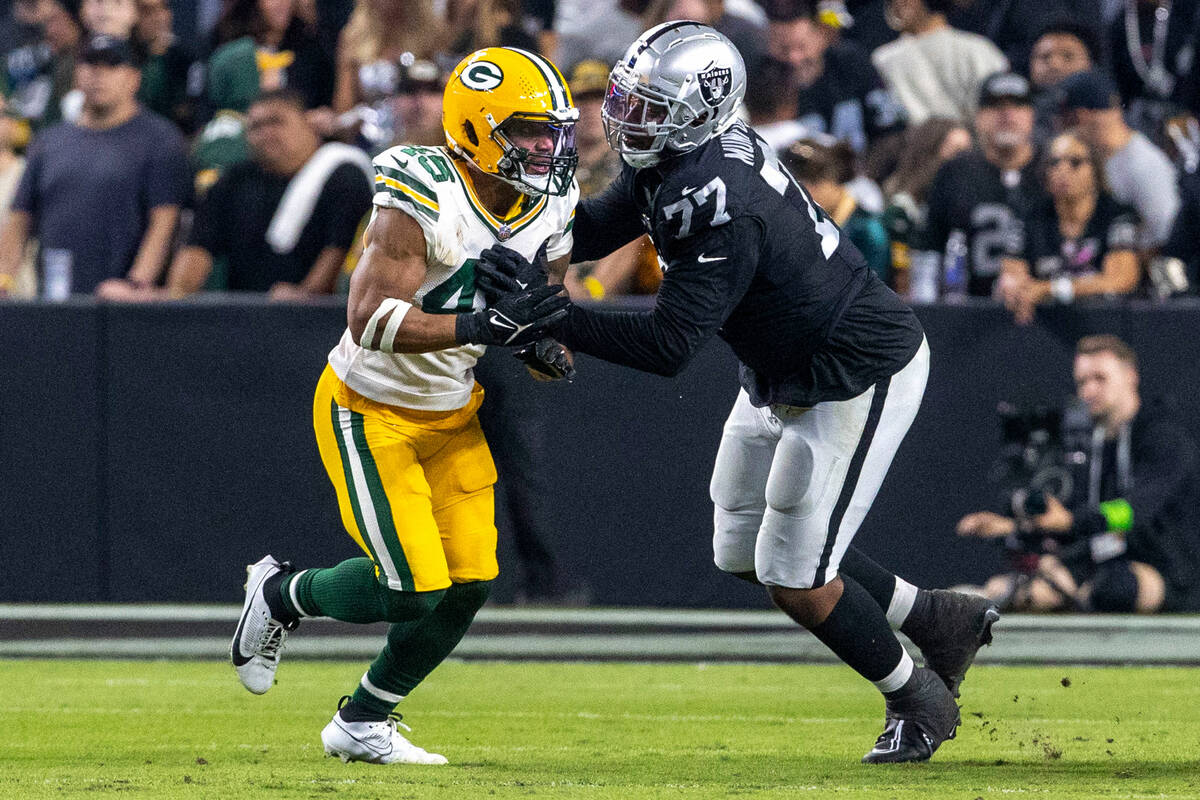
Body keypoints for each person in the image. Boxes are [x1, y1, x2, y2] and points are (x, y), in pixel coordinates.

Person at [477, 22, 999, 764]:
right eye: (627, 98)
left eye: (648, 106)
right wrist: (518, 252)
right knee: (740, 549)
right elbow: (594, 224)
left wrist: (554, 312)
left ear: (699, 111)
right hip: (779, 371)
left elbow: (669, 348)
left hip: (853, 372)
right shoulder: (679, 161)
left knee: (796, 578)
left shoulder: (715, 193)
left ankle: (917, 697)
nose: (628, 118)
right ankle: (939, 618)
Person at [229, 46, 578, 765]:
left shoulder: (554, 205)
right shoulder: (420, 187)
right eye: (530, 131)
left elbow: (539, 333)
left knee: (473, 580)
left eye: (554, 131)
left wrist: (543, 349)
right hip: (370, 406)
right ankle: (281, 594)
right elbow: (370, 320)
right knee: (414, 589)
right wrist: (486, 326)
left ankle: (363, 718)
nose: (547, 147)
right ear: (479, 128)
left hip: (452, 409)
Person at [957, 335, 1200, 613]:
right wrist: (1015, 528)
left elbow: (1130, 512)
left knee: (1115, 587)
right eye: (1082, 382)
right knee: (1028, 589)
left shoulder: (1165, 437)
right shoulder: (1090, 443)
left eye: (1100, 378)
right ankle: (970, 603)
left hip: (1169, 570)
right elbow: (1077, 519)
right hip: (1103, 559)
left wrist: (1070, 522)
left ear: (1130, 376)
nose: (1089, 391)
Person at [117, 89, 371, 300]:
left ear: (309, 124)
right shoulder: (234, 180)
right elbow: (198, 248)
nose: (265, 133)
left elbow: (338, 251)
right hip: (245, 316)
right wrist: (175, 298)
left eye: (276, 121)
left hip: (317, 321)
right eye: (256, 126)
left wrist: (306, 295)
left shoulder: (343, 175)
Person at [0, 34, 190, 298]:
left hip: (122, 303)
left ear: (133, 78)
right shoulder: (49, 141)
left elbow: (164, 221)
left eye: (112, 66)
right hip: (56, 298)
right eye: (90, 65)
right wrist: (4, 278)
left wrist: (137, 284)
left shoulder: (159, 139)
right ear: (77, 75)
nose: (99, 75)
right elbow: (20, 218)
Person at [916, 72, 1047, 298]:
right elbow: (930, 247)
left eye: (1017, 105)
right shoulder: (955, 171)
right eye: (995, 106)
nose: (1007, 114)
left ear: (1032, 115)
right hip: (969, 309)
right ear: (978, 117)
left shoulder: (1054, 167)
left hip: (1046, 307)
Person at [997, 131, 1141, 324]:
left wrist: (1050, 289)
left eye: (1075, 162)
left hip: (1106, 324)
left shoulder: (1117, 216)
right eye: (1054, 162)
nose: (1063, 170)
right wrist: (1015, 290)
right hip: (1043, 324)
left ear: (1095, 169)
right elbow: (1013, 274)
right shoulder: (1029, 217)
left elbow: (1121, 280)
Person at [1057, 69, 1180, 250]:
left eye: (1064, 118)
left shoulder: (1143, 165)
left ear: (1080, 116)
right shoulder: (1099, 156)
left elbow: (1166, 237)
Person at [766, 5, 905, 155]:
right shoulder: (763, 83)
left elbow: (890, 131)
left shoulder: (851, 62)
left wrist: (862, 176)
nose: (794, 58)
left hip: (864, 169)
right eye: (783, 49)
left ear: (821, 36)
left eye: (802, 47)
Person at [871, 0, 1008, 125]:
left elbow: (1000, 110)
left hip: (974, 147)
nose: (898, 3)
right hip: (907, 149)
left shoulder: (978, 50)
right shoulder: (881, 59)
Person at [781, 136, 891, 284]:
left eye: (814, 182)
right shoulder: (796, 222)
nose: (807, 191)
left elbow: (873, 288)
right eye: (798, 184)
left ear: (834, 178)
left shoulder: (868, 229)